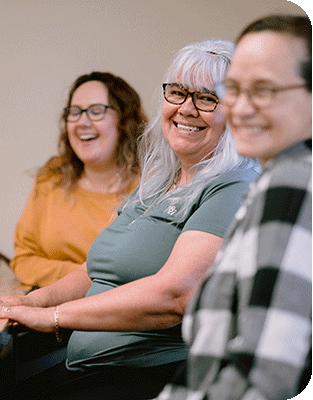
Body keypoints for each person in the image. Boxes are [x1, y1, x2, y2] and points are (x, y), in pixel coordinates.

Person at [0, 39, 259, 400]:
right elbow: (93, 270)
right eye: (178, 93)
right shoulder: (158, 183)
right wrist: (34, 302)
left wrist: (55, 315)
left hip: (154, 374)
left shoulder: (234, 183)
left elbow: (176, 295)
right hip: (91, 366)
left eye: (207, 98)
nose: (187, 108)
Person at [156, 14, 312, 400]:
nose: (239, 108)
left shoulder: (293, 183)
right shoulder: (273, 180)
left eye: (263, 90)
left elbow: (262, 377)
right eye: (233, 89)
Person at [10, 71, 147, 287]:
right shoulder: (51, 179)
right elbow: (23, 260)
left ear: (124, 120)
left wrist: (83, 277)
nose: (83, 122)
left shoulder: (153, 187)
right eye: (74, 112)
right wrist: (82, 276)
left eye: (96, 111)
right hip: (52, 309)